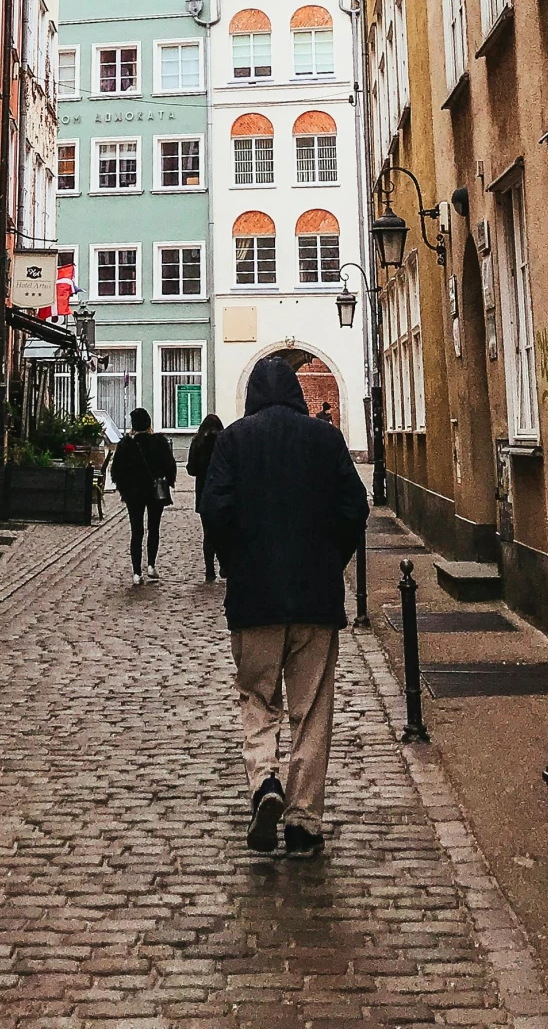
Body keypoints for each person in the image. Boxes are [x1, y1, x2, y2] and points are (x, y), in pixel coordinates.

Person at [201, 355, 369, 858]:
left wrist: (237, 562)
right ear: (297, 393)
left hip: (255, 600)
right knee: (312, 709)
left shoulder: (233, 440)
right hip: (315, 598)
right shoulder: (326, 439)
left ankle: (265, 782)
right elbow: (353, 510)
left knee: (257, 698)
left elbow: (214, 510)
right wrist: (328, 561)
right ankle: (302, 823)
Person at [110, 406, 176, 587]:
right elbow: (170, 466)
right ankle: (151, 565)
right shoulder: (159, 442)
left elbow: (116, 472)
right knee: (154, 528)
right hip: (155, 493)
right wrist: (166, 481)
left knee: (136, 531)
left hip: (134, 494)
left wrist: (125, 488)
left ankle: (136, 572)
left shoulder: (126, 445)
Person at [185, 412, 226, 582]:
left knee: (208, 532)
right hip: (223, 490)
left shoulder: (197, 442)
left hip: (203, 491)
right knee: (224, 530)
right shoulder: (224, 441)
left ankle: (210, 570)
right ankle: (224, 565)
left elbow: (191, 469)